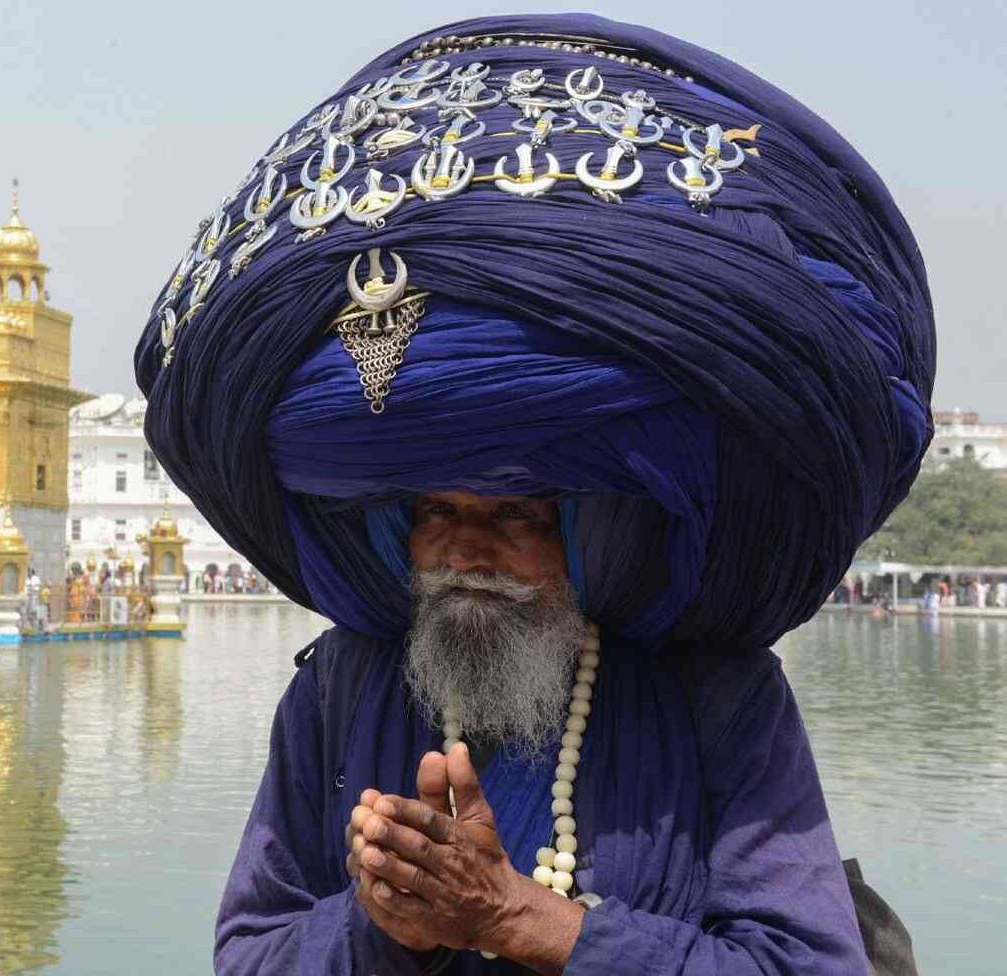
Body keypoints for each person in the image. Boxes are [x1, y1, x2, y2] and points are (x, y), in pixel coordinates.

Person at [134, 14, 931, 975]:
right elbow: (248, 955)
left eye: (515, 516)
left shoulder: (719, 691)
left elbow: (813, 964)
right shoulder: (345, 683)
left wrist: (523, 920)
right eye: (436, 512)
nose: (466, 549)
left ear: (593, 527)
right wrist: (382, 925)